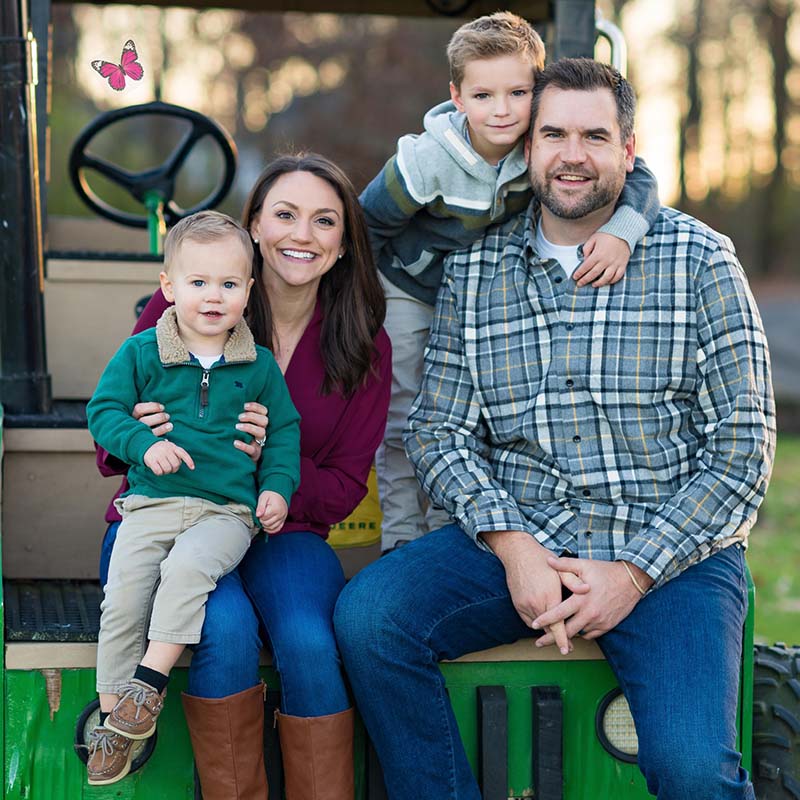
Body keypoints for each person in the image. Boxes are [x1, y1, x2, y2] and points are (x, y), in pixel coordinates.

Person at [335, 58, 775, 800]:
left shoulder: (700, 260)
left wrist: (634, 572)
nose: (573, 155)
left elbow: (743, 451)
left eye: (595, 136)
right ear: (527, 149)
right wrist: (515, 550)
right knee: (372, 619)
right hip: (522, 533)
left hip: (670, 554)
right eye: (555, 134)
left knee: (696, 772)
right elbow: (439, 432)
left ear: (628, 152)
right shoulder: (475, 272)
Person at [95, 154, 391, 799]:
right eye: (284, 214)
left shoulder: (362, 340)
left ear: (343, 245)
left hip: (283, 527)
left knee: (309, 642)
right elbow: (109, 439)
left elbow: (343, 486)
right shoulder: (190, 300)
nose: (301, 234)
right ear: (254, 225)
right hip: (165, 516)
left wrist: (267, 475)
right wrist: (147, 440)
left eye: (324, 221)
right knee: (222, 629)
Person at [360, 11, 661, 552]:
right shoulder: (428, 159)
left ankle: (450, 527)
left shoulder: (545, 149)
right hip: (409, 286)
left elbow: (637, 174)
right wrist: (356, 304)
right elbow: (368, 223)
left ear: (538, 90)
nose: (501, 110)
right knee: (407, 413)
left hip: (484, 293)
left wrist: (622, 231)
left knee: (468, 418)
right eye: (483, 96)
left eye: (518, 93)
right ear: (458, 96)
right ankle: (402, 538)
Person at [85, 211, 301, 786]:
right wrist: (139, 445)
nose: (213, 297)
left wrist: (276, 488)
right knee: (124, 592)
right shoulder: (141, 354)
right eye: (198, 283)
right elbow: (102, 412)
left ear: (249, 292)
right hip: (151, 503)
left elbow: (283, 433)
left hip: (225, 511)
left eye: (229, 284)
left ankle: (148, 685)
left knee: (186, 569)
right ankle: (114, 718)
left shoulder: (257, 366)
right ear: (168, 288)